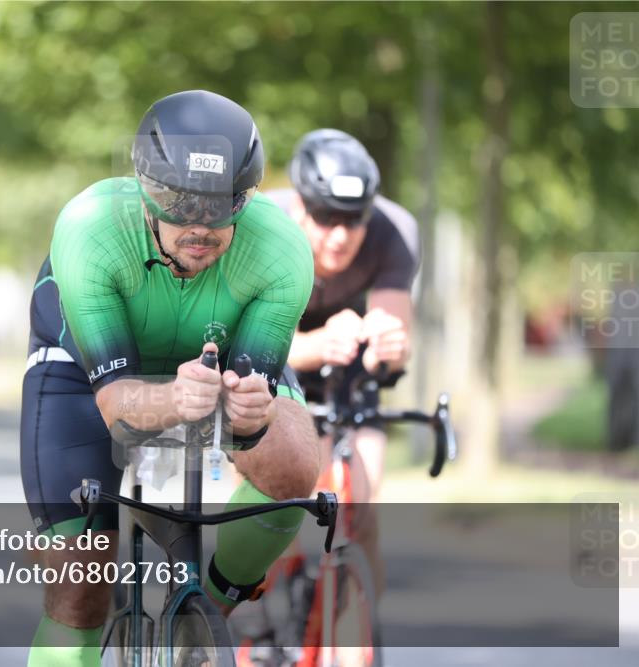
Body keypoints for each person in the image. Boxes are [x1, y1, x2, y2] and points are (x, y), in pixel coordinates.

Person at [21, 90, 321, 666]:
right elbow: (117, 408)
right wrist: (179, 400)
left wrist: (248, 414)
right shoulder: (90, 226)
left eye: (222, 205)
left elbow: (247, 415)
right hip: (84, 370)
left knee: (293, 459)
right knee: (78, 587)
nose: (199, 225)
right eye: (178, 202)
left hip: (216, 352)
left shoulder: (281, 250)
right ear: (144, 188)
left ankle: (204, 612)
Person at [270, 128, 421, 593]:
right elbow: (247, 344)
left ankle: (362, 637)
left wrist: (387, 349)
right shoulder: (265, 227)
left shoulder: (394, 230)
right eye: (326, 218)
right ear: (300, 206)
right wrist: (316, 345)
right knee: (272, 505)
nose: (339, 236)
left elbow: (393, 339)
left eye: (353, 221)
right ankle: (259, 623)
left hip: (346, 371)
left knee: (361, 510)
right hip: (276, 361)